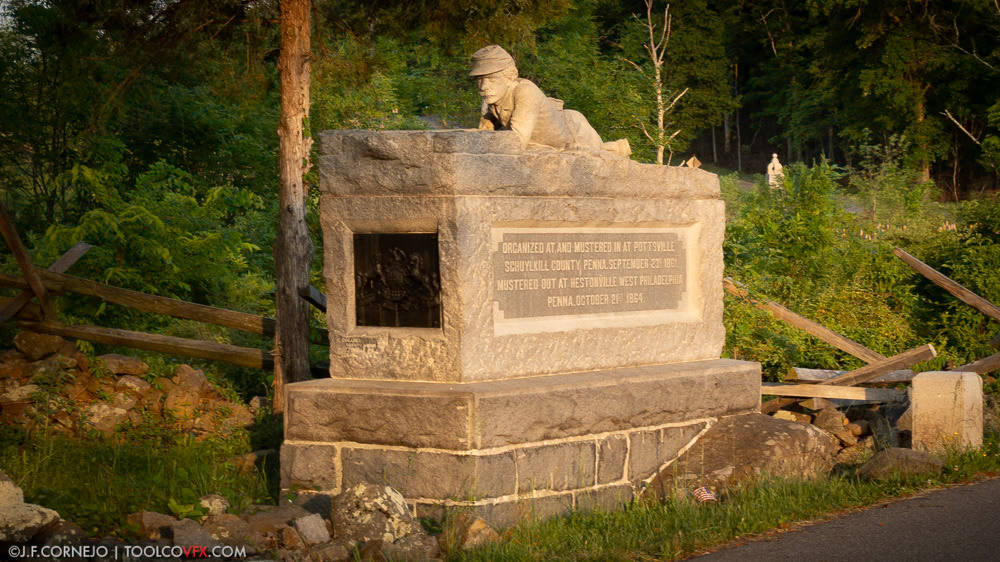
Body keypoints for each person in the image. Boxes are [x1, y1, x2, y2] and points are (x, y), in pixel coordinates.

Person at [469, 45, 630, 157]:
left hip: (574, 131)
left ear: (510, 76)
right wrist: (490, 121)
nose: (483, 86)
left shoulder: (525, 91)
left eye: (490, 79)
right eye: (479, 80)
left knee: (598, 153)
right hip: (558, 135)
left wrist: (475, 140)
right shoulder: (497, 99)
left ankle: (617, 149)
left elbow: (516, 142)